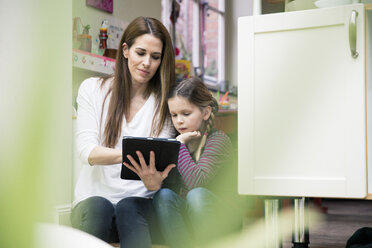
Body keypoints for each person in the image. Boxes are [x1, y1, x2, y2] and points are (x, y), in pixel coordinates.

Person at [71, 16, 177, 248]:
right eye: (141, 53)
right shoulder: (92, 89)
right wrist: (131, 153)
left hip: (139, 205)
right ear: (126, 50)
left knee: (129, 206)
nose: (147, 63)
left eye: (155, 57)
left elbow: (162, 161)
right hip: (92, 203)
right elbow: (86, 152)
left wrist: (155, 183)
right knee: (98, 207)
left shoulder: (166, 103)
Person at [152, 77, 243, 247]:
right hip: (189, 224)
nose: (179, 120)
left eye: (186, 114)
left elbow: (196, 182)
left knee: (197, 195)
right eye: (174, 115)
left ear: (206, 113)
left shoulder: (218, 140)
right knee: (163, 196)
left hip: (223, 223)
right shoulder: (174, 141)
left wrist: (179, 146)